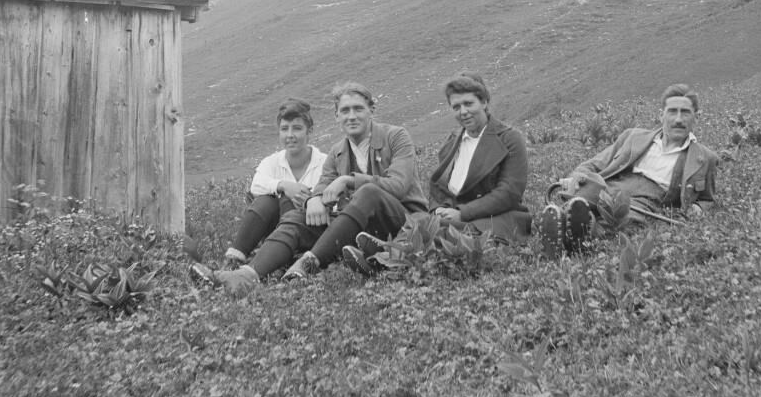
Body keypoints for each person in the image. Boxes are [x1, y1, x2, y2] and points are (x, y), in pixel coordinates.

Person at [207, 81, 428, 293]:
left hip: (402, 222)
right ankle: (247, 274)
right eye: (345, 110)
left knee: (368, 192)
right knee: (297, 217)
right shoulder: (337, 151)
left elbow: (399, 185)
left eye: (358, 109)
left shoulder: (395, 136)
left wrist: (348, 180)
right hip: (361, 227)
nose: (351, 116)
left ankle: (309, 263)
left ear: (371, 110)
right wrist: (313, 200)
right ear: (337, 116)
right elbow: (322, 184)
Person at [342, 71, 531, 276]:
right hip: (457, 218)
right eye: (456, 107)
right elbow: (439, 186)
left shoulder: (509, 138)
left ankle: (382, 259)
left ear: (484, 102)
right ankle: (382, 258)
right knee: (421, 221)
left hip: (495, 219)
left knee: (430, 229)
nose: (463, 112)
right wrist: (439, 208)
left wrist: (463, 212)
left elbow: (509, 192)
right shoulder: (454, 140)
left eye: (469, 104)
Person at [536, 84, 718, 259]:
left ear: (696, 117)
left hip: (644, 203)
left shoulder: (705, 158)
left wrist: (698, 208)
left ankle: (571, 233)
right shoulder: (633, 136)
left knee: (621, 221)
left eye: (685, 112)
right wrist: (577, 177)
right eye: (672, 111)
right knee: (583, 204)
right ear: (661, 115)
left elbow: (707, 199)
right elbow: (595, 164)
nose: (678, 119)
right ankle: (575, 228)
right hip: (607, 189)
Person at [190, 99, 326, 285]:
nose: (290, 135)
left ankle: (281, 262)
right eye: (284, 129)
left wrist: (309, 200)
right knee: (266, 201)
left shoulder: (324, 163)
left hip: (307, 231)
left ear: (309, 131)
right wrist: (284, 185)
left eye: (297, 128)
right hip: (277, 230)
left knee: (286, 201)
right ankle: (234, 260)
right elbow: (256, 184)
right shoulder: (272, 162)